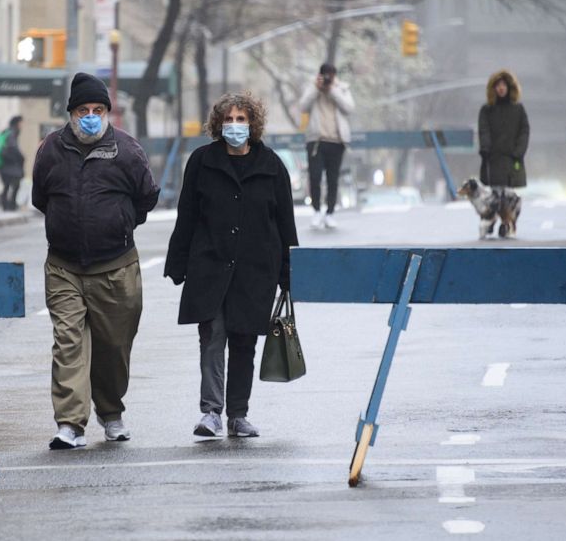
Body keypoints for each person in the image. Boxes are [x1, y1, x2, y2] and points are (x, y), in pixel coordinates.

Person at [32, 72, 160, 450]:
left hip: (116, 268)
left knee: (113, 347)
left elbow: (146, 197)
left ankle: (111, 412)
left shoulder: (127, 150)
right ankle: (70, 424)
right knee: (68, 343)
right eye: (83, 110)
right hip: (64, 267)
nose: (91, 116)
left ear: (108, 113)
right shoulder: (50, 149)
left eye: (98, 109)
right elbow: (42, 198)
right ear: (71, 114)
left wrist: (120, 225)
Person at [164, 91, 299, 439]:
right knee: (211, 338)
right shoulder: (202, 162)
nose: (235, 125)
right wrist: (177, 262)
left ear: (252, 124)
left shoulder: (271, 166)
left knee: (244, 342)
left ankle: (238, 414)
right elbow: (187, 216)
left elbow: (286, 224)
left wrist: (290, 272)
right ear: (218, 124)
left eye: (241, 120)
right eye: (229, 119)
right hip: (209, 266)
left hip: (255, 271)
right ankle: (210, 412)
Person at [299, 63, 355, 229]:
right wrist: (316, 89)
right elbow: (303, 106)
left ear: (335, 75)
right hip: (316, 141)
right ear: (319, 75)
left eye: (330, 75)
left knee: (333, 179)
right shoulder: (312, 88)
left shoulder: (342, 89)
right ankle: (316, 211)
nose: (328, 78)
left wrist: (332, 90)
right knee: (314, 177)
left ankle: (330, 213)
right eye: (325, 75)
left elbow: (349, 108)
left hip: (337, 141)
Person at [478, 69, 529, 234]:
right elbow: (483, 130)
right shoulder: (487, 110)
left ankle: (507, 222)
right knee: (492, 195)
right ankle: (491, 220)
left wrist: (518, 152)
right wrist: (485, 149)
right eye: (497, 86)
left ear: (509, 87)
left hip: (511, 159)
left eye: (503, 85)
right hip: (492, 159)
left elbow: (524, 131)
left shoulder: (518, 110)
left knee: (508, 195)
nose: (500, 89)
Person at [0, 115, 25, 210]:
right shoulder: (12, 133)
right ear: (17, 123)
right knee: (14, 185)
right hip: (10, 165)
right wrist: (21, 156)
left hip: (5, 165)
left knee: (7, 186)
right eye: (21, 123)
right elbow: (13, 148)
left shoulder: (7, 132)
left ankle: (7, 205)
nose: (22, 125)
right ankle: (10, 205)